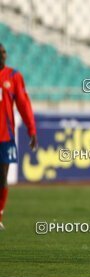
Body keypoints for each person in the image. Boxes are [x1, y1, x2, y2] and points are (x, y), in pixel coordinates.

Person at [0, 43, 37, 230]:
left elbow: (23, 104)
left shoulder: (14, 76)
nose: (3, 55)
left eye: (4, 52)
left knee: (2, 177)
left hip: (5, 137)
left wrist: (32, 129)